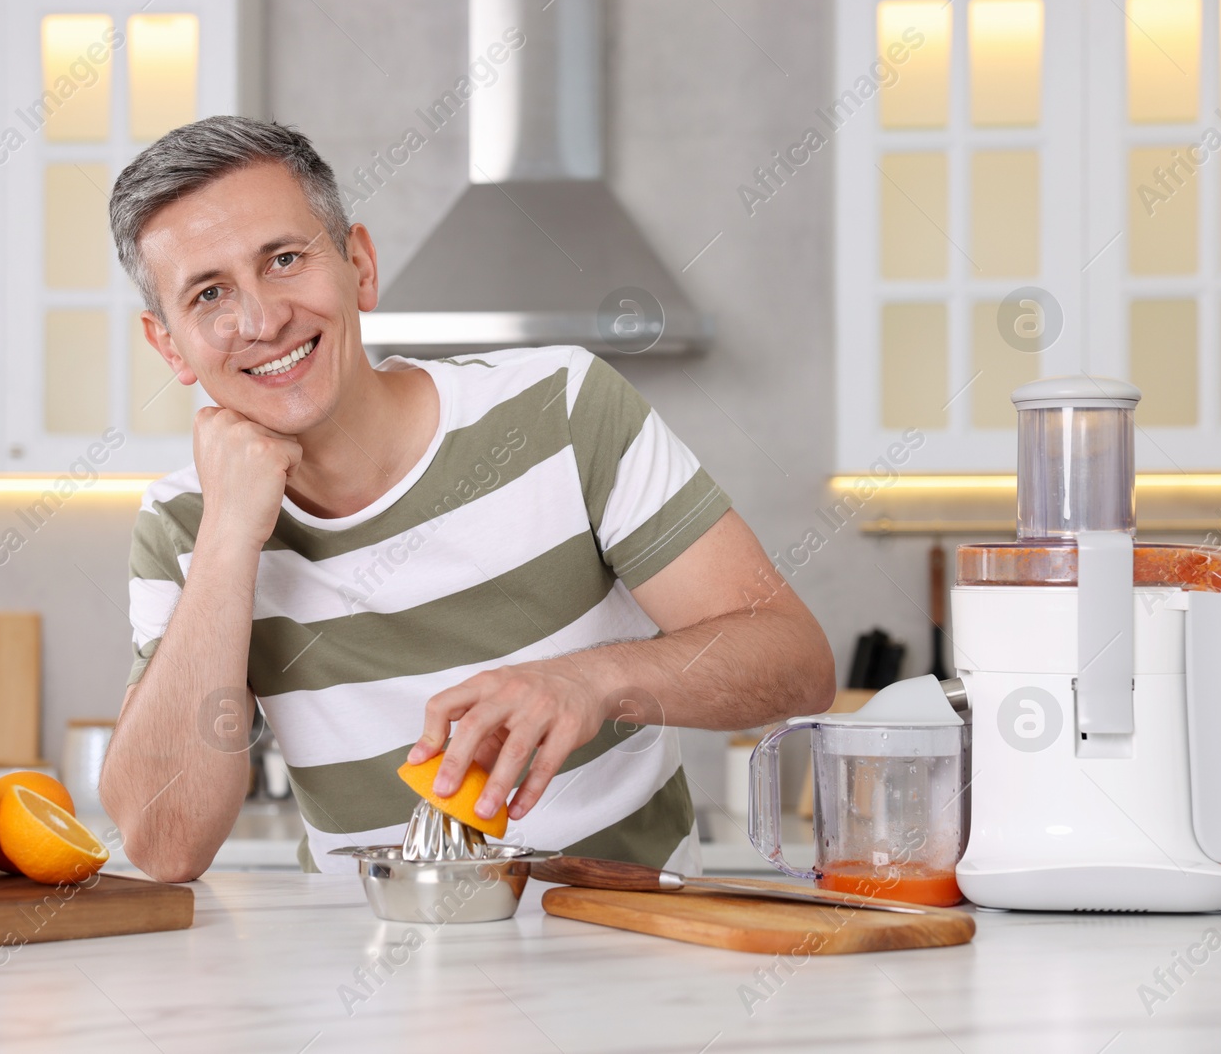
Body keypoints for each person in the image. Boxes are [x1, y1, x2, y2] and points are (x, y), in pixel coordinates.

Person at [99, 116, 834, 880]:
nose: (260, 319)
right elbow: (164, 843)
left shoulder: (563, 408)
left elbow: (795, 661)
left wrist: (594, 679)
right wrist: (227, 538)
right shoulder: (184, 521)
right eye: (209, 293)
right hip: (362, 969)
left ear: (360, 265)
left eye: (284, 259)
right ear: (169, 344)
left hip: (630, 946)